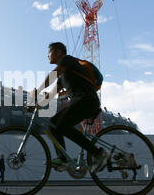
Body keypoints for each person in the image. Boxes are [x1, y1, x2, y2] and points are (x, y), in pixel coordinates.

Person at [31, 42, 110, 173]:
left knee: (62, 125)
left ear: (58, 52)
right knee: (53, 124)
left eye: (49, 53)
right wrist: (37, 106)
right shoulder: (63, 75)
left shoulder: (68, 60)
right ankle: (63, 160)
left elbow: (52, 75)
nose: (47, 56)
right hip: (80, 102)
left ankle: (98, 153)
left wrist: (38, 89)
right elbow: (52, 93)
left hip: (87, 100)